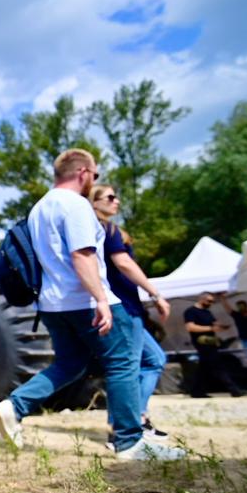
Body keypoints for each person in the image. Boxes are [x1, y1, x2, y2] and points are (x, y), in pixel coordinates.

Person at [0, 149, 185, 460]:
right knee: (123, 363)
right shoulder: (75, 205)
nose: (94, 180)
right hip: (84, 299)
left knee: (70, 364)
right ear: (83, 173)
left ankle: (15, 405)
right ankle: (130, 442)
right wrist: (101, 299)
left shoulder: (39, 208)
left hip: (52, 305)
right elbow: (83, 256)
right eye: (95, 175)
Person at [91, 184, 172, 441]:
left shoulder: (100, 231)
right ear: (94, 202)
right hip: (124, 306)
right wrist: (156, 294)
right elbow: (124, 263)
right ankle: (131, 422)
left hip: (120, 306)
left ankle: (129, 419)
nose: (117, 201)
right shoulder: (107, 230)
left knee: (142, 362)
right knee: (135, 365)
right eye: (110, 197)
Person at [183, 292, 246, 397]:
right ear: (201, 299)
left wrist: (221, 326)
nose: (211, 303)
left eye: (212, 301)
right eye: (209, 301)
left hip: (211, 342)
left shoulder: (207, 312)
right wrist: (210, 328)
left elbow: (214, 323)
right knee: (217, 366)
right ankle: (234, 389)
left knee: (204, 368)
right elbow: (190, 327)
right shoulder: (190, 311)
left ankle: (197, 392)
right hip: (202, 342)